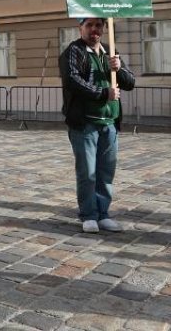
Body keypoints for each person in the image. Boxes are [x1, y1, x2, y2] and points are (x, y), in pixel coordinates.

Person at [59, 17, 135, 234]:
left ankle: (103, 213)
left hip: (109, 123)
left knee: (106, 171)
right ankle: (88, 214)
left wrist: (119, 69)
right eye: (89, 25)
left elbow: (130, 82)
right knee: (87, 172)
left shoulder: (110, 51)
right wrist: (104, 93)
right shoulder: (74, 51)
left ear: (104, 28)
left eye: (98, 25)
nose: (94, 29)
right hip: (85, 123)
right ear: (80, 28)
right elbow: (72, 80)